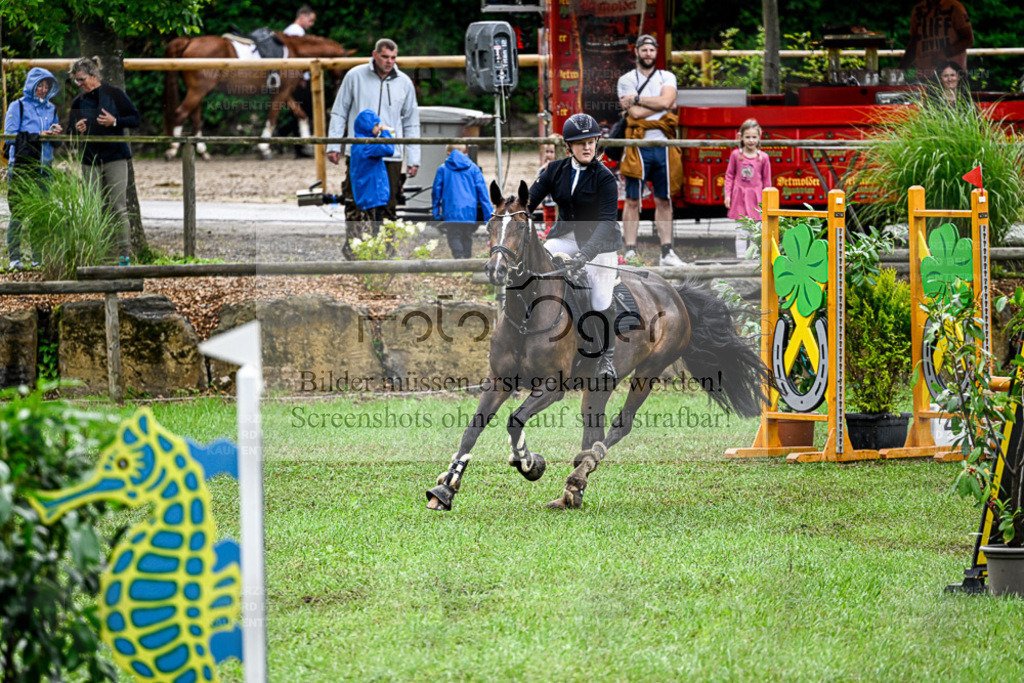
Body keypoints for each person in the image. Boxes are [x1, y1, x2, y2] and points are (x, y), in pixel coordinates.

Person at [527, 113, 623, 384]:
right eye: (581, 143)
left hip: (600, 245)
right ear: (569, 146)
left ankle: (606, 357)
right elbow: (530, 202)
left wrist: (585, 255)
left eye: (591, 141)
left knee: (600, 297)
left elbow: (607, 222)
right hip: (565, 238)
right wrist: (515, 216)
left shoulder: (605, 178)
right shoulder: (554, 170)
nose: (587, 147)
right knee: (538, 268)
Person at [326, 37, 420, 249]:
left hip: (390, 153)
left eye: (393, 58)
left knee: (388, 204)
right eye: (385, 57)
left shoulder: (404, 82)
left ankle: (386, 250)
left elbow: (412, 122)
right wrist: (334, 145)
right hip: (360, 152)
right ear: (374, 55)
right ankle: (355, 247)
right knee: (354, 200)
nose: (389, 61)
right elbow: (340, 111)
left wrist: (414, 157)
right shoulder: (354, 76)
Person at [616, 34, 683, 267]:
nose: (648, 54)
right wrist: (658, 105)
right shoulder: (626, 79)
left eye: (651, 50)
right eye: (643, 50)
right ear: (636, 52)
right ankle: (631, 250)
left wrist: (636, 99)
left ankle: (667, 251)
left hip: (663, 145)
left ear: (656, 53)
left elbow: (667, 102)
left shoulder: (667, 76)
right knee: (632, 200)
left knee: (664, 199)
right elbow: (634, 114)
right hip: (637, 145)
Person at [67, 57, 141, 265]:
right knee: (93, 207)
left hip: (115, 157)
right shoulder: (78, 102)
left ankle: (124, 253)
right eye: (76, 81)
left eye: (81, 80)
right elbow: (69, 131)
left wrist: (115, 121)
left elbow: (135, 119)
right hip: (89, 159)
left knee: (118, 206)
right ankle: (96, 252)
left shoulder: (115, 95)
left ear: (93, 76)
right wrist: (77, 129)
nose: (79, 85)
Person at [4, 67, 62, 270]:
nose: (43, 89)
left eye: (47, 86)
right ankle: (15, 258)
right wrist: (39, 134)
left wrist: (55, 134)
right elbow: (10, 135)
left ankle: (37, 257)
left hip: (44, 167)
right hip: (21, 166)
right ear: (32, 85)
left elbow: (55, 141)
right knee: (18, 213)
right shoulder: (17, 106)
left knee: (41, 213)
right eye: (40, 85)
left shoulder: (51, 109)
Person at [347, 108, 394, 255]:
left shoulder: (361, 144)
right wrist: (386, 133)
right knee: (374, 228)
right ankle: (374, 256)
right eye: (376, 125)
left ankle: (374, 254)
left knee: (374, 227)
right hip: (372, 195)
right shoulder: (366, 146)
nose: (379, 128)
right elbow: (389, 149)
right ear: (367, 127)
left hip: (371, 195)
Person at [431, 144, 492, 259]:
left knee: (454, 236)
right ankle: (467, 262)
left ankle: (459, 260)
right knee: (467, 236)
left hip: (451, 210)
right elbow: (483, 193)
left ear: (448, 153)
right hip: (469, 211)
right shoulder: (474, 168)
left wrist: (436, 213)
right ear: (466, 153)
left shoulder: (443, 169)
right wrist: (489, 216)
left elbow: (436, 192)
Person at [724, 119, 772, 259]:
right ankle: (741, 261)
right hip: (740, 198)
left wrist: (767, 201)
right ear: (741, 137)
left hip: (757, 199)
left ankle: (754, 262)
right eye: (747, 137)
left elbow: (767, 181)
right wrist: (728, 195)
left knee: (756, 233)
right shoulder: (736, 155)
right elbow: (729, 176)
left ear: (759, 137)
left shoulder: (763, 158)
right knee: (741, 232)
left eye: (754, 137)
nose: (751, 140)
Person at [900, 0, 974, 80]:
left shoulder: (954, 7)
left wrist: (946, 53)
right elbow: (914, 44)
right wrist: (900, 69)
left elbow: (968, 39)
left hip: (951, 78)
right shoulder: (918, 10)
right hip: (925, 77)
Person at [282, 5, 316, 158]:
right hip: (299, 79)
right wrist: (301, 77)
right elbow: (296, 58)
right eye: (310, 20)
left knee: (300, 113)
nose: (311, 24)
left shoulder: (290, 31)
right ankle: (287, 138)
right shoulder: (296, 32)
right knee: (304, 112)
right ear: (302, 16)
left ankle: (297, 145)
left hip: (296, 78)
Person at [535, 143, 557, 236]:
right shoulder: (542, 170)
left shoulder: (562, 169)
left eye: (552, 152)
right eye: (547, 151)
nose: (548, 154)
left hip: (558, 203)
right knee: (549, 226)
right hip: (547, 203)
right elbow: (539, 186)